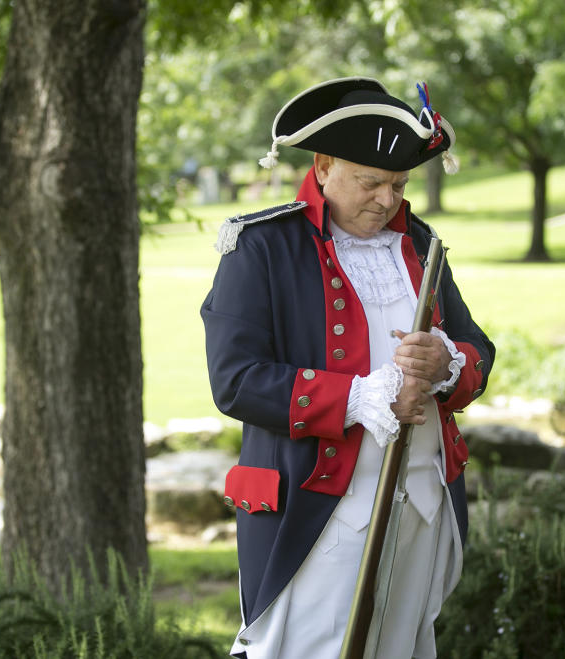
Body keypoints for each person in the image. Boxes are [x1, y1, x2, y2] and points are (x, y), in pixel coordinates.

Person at [201, 77, 495, 659]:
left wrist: (446, 364)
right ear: (324, 165)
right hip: (316, 509)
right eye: (371, 182)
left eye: (399, 184)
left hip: (424, 499)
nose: (388, 200)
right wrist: (362, 398)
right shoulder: (261, 246)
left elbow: (475, 349)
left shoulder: (419, 243)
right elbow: (234, 380)